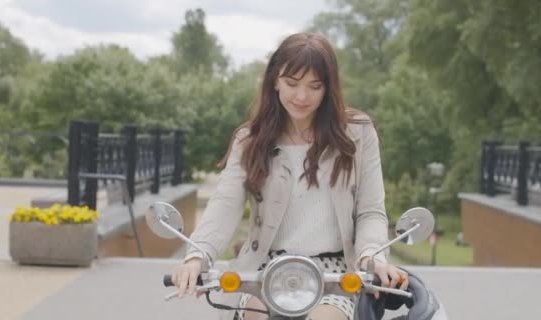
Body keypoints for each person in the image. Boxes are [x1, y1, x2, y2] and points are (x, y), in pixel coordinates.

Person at [171, 32, 409, 320]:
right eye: (291, 83)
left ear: (328, 87)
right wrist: (198, 256)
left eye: (314, 86)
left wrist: (373, 258)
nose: (301, 96)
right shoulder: (250, 139)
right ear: (275, 80)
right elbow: (225, 203)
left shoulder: (357, 133)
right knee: (253, 315)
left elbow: (370, 211)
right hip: (265, 269)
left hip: (334, 274)